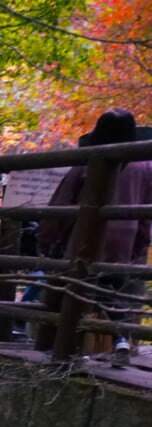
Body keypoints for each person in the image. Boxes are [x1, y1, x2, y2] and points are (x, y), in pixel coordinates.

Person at [37, 108, 152, 367]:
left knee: (75, 289)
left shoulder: (88, 159)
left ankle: (71, 352)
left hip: (84, 236)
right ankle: (122, 339)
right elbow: (147, 212)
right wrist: (140, 242)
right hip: (124, 237)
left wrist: (47, 236)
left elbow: (62, 202)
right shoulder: (145, 164)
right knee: (110, 290)